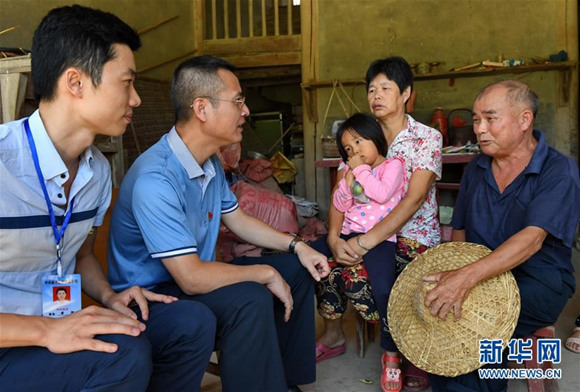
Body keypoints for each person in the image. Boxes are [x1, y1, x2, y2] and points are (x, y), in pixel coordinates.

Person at [0, 6, 216, 392]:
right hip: (12, 341)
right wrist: (47, 330)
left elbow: (79, 254)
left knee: (189, 323)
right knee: (122, 354)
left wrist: (109, 297)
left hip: (59, 321)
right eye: (127, 83)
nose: (135, 99)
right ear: (76, 83)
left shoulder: (96, 171)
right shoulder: (3, 164)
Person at [106, 55, 330, 392]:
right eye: (238, 101)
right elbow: (192, 278)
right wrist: (265, 273)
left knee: (297, 269)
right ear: (202, 109)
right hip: (152, 298)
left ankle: (283, 382)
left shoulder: (208, 161)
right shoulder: (157, 178)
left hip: (190, 278)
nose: (246, 111)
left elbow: (237, 219)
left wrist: (297, 246)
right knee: (251, 297)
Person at [424, 80, 580, 391]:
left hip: (539, 278)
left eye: (490, 119)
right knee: (436, 309)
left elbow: (532, 240)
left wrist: (465, 279)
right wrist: (455, 274)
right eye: (476, 119)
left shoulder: (558, 169)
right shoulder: (477, 168)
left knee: (468, 324)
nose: (479, 129)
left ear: (525, 120)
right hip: (483, 275)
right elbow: (461, 233)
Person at [323, 57, 442, 392]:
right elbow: (339, 192)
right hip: (362, 230)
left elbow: (414, 199)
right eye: (371, 89)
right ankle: (335, 335)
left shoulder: (425, 138)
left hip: (412, 234)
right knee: (325, 264)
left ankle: (407, 351)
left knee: (401, 282)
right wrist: (334, 237)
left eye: (385, 88)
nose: (376, 95)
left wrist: (365, 242)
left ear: (406, 94)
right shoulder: (358, 136)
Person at [311, 113, 405, 376]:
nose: (354, 152)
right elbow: (341, 205)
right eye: (348, 149)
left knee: (385, 289)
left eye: (359, 142)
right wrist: (345, 184)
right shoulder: (354, 172)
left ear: (376, 138)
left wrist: (359, 170)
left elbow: (382, 193)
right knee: (308, 254)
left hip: (379, 240)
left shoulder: (393, 166)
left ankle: (391, 354)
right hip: (348, 233)